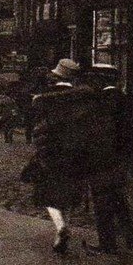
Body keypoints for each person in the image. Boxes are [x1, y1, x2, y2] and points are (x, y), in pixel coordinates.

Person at [25, 58, 84, 254]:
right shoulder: (80, 97)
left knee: (46, 192)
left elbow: (37, 124)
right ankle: (65, 226)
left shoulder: (45, 97)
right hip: (74, 152)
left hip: (50, 152)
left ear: (55, 76)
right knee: (69, 191)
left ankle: (60, 227)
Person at [81, 64, 133, 255]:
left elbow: (99, 134)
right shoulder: (124, 99)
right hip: (120, 158)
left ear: (102, 80)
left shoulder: (103, 101)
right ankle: (131, 238)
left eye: (94, 79)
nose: (92, 82)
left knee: (102, 201)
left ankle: (107, 244)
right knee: (118, 198)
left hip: (103, 158)